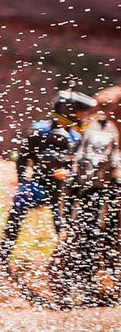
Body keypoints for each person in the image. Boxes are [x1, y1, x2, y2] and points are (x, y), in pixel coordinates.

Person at [0, 90, 97, 264]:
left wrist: (70, 175)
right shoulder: (39, 131)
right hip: (38, 185)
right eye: (78, 112)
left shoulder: (76, 138)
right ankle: (2, 258)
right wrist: (23, 183)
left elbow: (80, 166)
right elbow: (22, 160)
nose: (81, 117)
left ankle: (67, 265)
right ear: (68, 111)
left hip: (62, 192)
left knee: (66, 226)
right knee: (18, 208)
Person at [50, 109, 121, 304]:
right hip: (101, 202)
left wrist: (66, 221)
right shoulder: (110, 138)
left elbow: (68, 193)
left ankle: (71, 289)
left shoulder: (85, 142)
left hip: (83, 201)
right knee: (100, 245)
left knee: (79, 243)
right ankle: (95, 290)